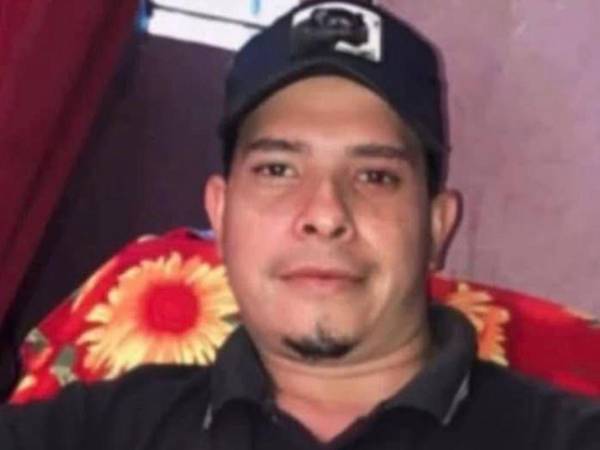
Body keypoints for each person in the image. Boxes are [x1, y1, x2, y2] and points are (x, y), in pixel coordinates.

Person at [1, 0, 599, 449]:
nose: (325, 215)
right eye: (278, 169)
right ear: (220, 214)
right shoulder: (98, 428)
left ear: (438, 227)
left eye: (375, 177)